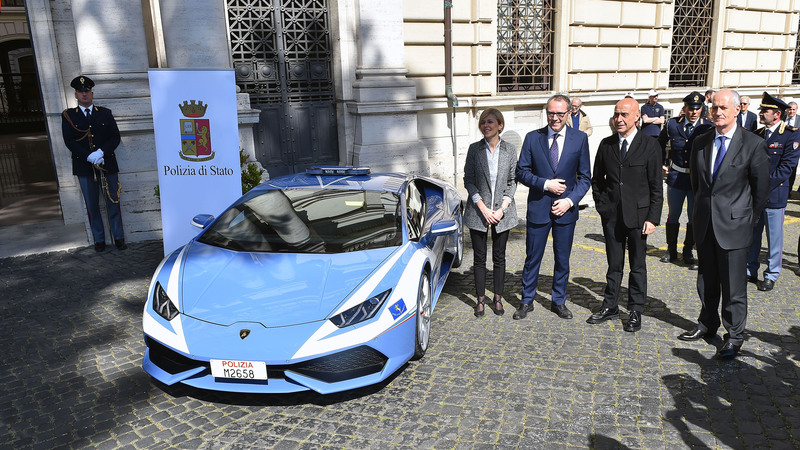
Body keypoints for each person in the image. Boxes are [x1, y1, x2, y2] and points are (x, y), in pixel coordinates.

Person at [678, 89, 769, 360]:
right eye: (714, 108)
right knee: (706, 281)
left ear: (737, 110)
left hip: (735, 228)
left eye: (723, 108)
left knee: (734, 287)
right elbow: (698, 186)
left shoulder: (752, 144)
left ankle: (735, 335)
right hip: (705, 224)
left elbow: (760, 191)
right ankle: (707, 323)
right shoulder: (702, 142)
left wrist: (746, 224)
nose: (717, 112)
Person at [588, 97, 663, 332]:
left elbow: (656, 187)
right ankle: (610, 305)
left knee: (637, 266)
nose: (619, 119)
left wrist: (652, 217)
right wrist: (603, 207)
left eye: (624, 115)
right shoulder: (606, 144)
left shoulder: (650, 145)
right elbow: (597, 180)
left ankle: (635, 310)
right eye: (616, 114)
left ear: (637, 117)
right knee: (614, 264)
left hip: (639, 218)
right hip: (612, 216)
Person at [514, 94, 591, 320]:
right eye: (551, 113)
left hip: (565, 211)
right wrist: (545, 184)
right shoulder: (532, 138)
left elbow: (585, 177)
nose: (555, 118)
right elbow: (521, 172)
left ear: (569, 113)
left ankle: (559, 300)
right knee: (532, 257)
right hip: (539, 207)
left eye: (560, 113)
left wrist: (569, 201)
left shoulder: (579, 139)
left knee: (562, 258)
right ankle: (527, 301)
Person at [463, 108, 518, 317]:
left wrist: (502, 209)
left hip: (502, 213)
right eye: (483, 122)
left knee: (499, 257)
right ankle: (479, 300)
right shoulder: (474, 149)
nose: (486, 125)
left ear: (500, 125)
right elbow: (468, 180)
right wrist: (483, 208)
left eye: (491, 122)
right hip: (479, 212)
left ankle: (497, 298)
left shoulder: (510, 150)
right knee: (479, 259)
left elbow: (513, 181)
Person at [61, 75, 127, 252]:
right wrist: (88, 156)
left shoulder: (105, 113)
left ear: (92, 93)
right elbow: (69, 141)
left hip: (107, 164)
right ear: (75, 94)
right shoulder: (68, 116)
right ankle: (99, 240)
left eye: (87, 91)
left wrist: (101, 152)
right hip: (85, 167)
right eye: (81, 92)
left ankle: (118, 237)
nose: (84, 95)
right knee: (92, 205)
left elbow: (115, 137)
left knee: (113, 202)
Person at [746, 92, 800, 291]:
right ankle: (750, 270)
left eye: (765, 111)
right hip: (754, 196)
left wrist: (763, 186)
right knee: (752, 235)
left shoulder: (791, 134)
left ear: (777, 114)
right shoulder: (758, 134)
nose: (761, 113)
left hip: (775, 195)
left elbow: (787, 168)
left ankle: (771, 274)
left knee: (774, 238)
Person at [657, 92, 714, 270]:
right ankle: (671, 250)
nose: (694, 112)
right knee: (673, 215)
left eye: (697, 109)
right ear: (685, 109)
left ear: (702, 109)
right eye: (691, 109)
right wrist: (662, 163)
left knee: (693, 217)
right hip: (676, 177)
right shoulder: (673, 124)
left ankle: (688, 250)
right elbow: (660, 143)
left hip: (696, 180)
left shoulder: (708, 127)